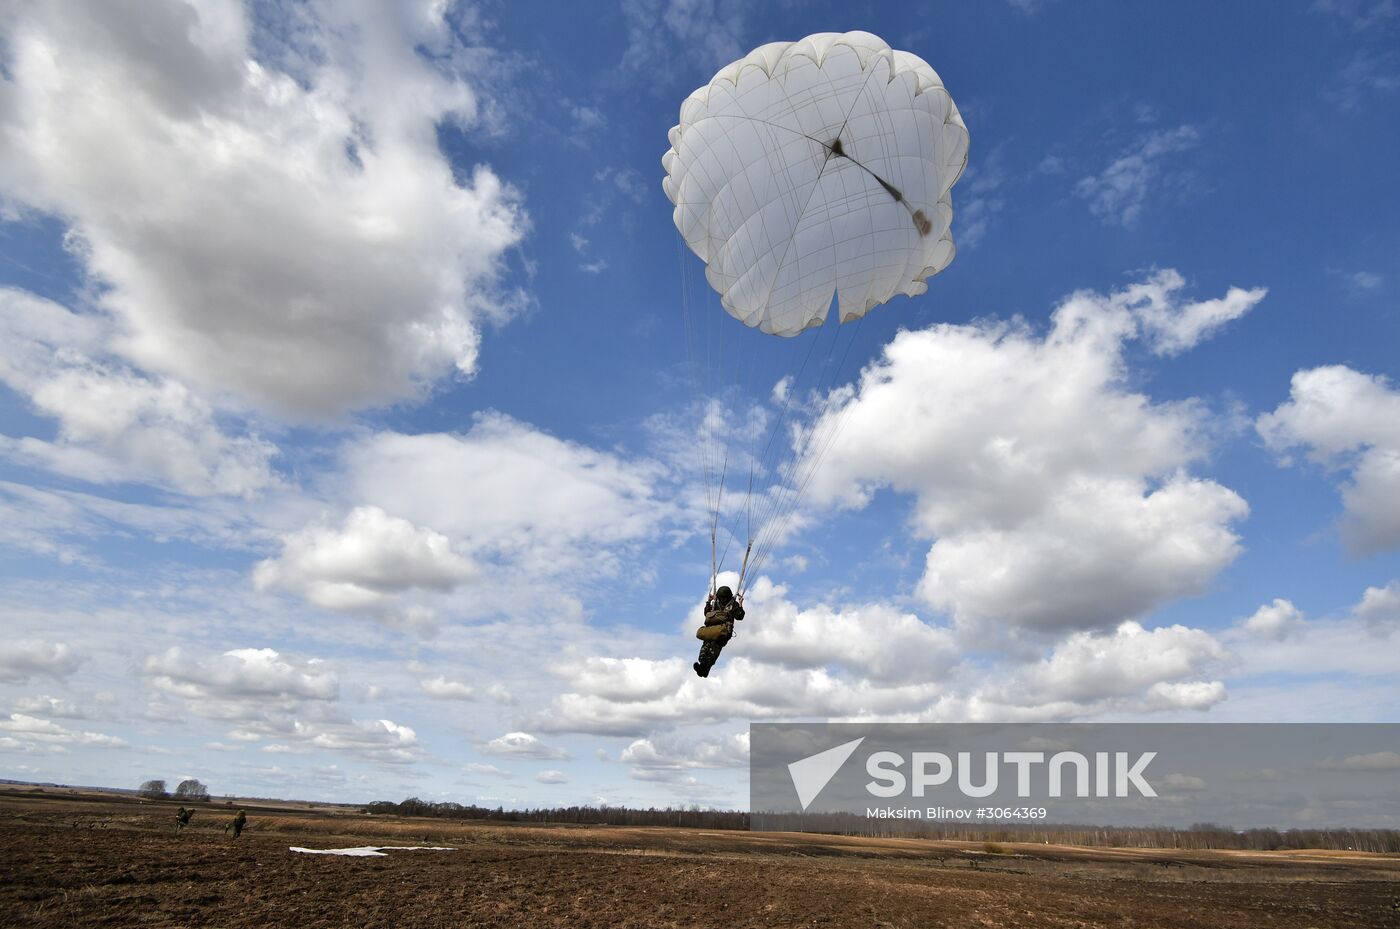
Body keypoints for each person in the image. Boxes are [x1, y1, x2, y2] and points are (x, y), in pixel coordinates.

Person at [694, 585, 744, 678]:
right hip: (712, 629)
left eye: (725, 598)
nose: (723, 599)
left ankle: (704, 669)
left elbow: (739, 616)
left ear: (728, 597)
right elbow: (706, 613)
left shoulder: (733, 604)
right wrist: (708, 602)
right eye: (721, 597)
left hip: (723, 633)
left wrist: (740, 604)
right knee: (705, 648)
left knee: (713, 649)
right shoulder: (715, 603)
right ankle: (703, 668)